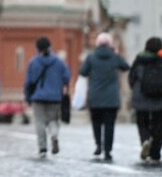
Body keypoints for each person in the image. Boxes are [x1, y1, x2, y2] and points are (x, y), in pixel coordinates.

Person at [80, 32, 130, 162]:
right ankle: (108, 150)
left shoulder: (91, 57)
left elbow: (82, 72)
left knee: (96, 123)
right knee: (109, 125)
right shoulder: (115, 57)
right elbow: (126, 67)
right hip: (111, 98)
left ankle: (98, 145)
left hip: (95, 97)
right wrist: (116, 52)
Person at [25, 37, 70, 159]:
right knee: (53, 120)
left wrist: (27, 97)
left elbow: (28, 82)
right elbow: (66, 77)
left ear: (37, 48)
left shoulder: (33, 62)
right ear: (50, 47)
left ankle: (42, 148)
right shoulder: (59, 61)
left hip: (37, 97)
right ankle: (54, 135)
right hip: (55, 97)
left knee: (39, 122)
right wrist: (60, 85)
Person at [129, 37, 162, 164]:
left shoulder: (139, 59)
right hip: (159, 97)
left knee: (142, 122)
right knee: (159, 125)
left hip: (140, 97)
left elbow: (131, 78)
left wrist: (135, 89)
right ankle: (155, 153)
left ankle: (145, 140)